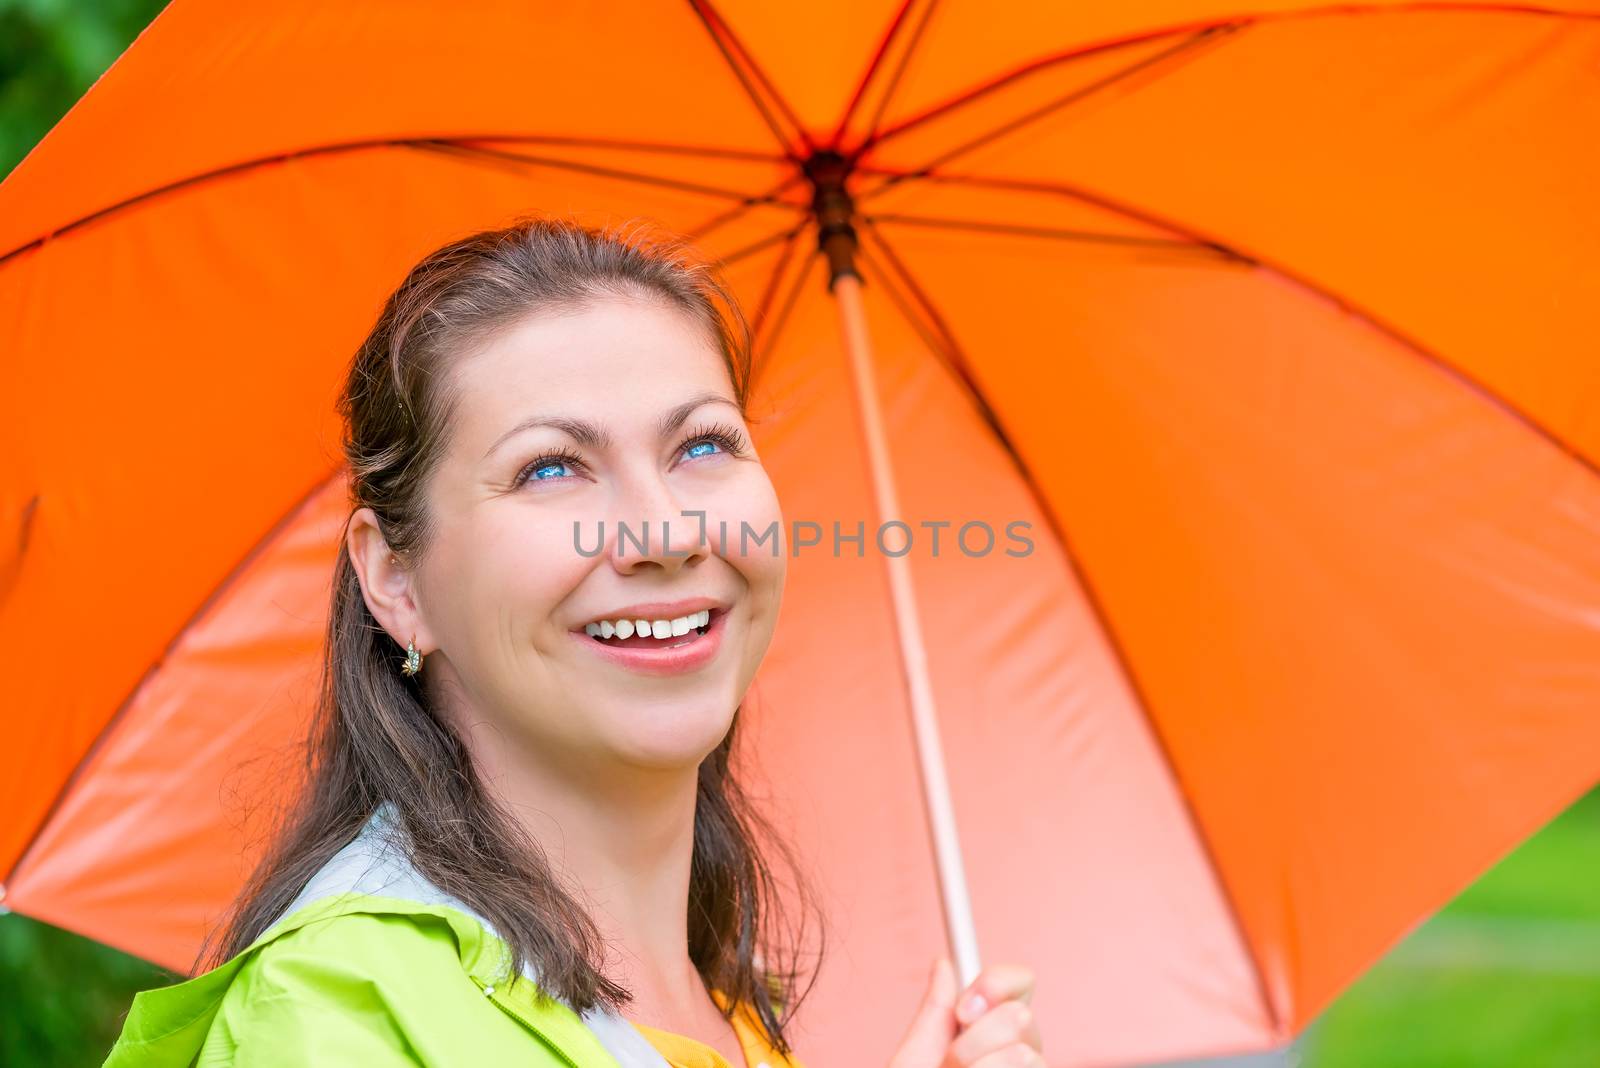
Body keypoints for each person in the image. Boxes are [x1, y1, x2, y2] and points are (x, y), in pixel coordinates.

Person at [103, 215, 1045, 1067]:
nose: (667, 533)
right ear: (396, 580)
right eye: (552, 467)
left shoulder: (729, 1018)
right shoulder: (338, 1018)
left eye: (704, 446)